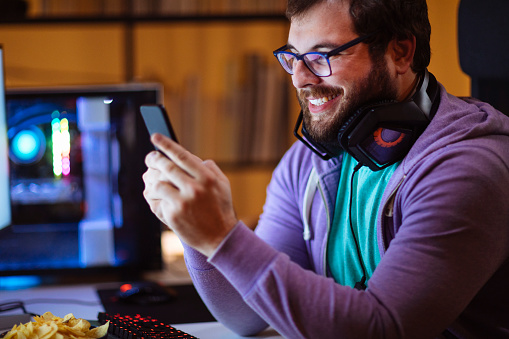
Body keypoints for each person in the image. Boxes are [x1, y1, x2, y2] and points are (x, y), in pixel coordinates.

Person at [142, 0, 509, 337]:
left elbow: (382, 329)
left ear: (400, 52)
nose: (300, 77)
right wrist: (195, 232)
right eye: (292, 57)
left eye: (321, 56)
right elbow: (246, 314)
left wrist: (222, 237)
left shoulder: (468, 168)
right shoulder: (311, 159)